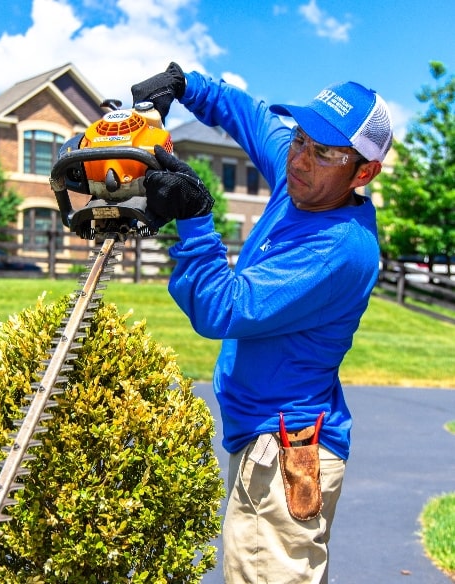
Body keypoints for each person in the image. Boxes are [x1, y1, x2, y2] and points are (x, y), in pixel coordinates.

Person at [131, 63, 393, 584]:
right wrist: (188, 88)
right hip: (267, 438)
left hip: (281, 452)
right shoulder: (302, 179)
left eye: (324, 152)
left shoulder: (338, 247)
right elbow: (248, 115)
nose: (301, 158)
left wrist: (194, 213)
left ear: (363, 173)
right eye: (300, 138)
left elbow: (221, 308)